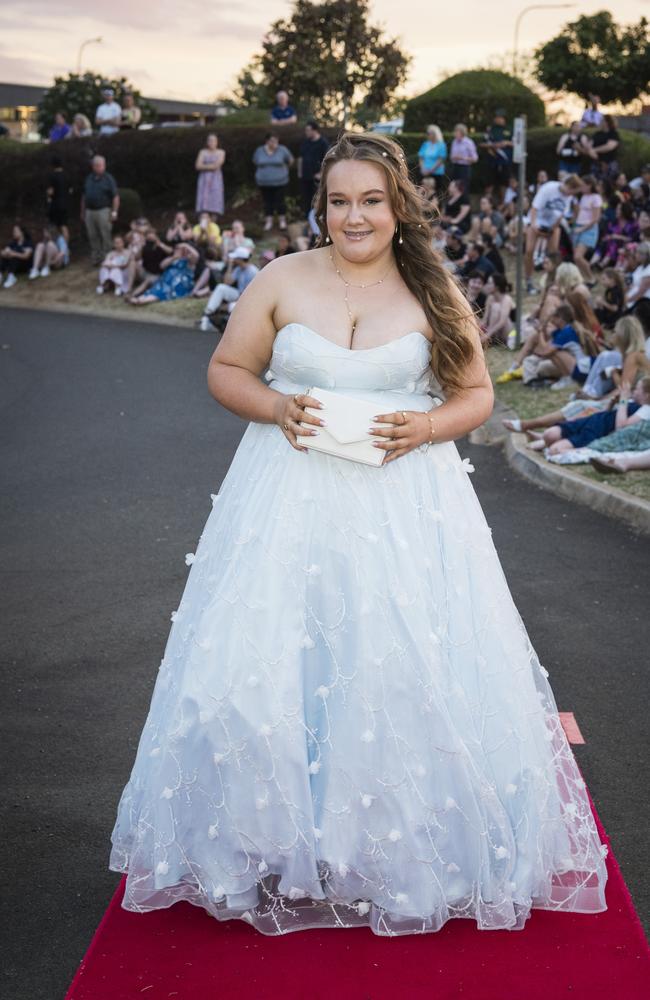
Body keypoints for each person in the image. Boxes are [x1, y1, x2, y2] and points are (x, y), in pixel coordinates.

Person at [109, 130, 608, 936]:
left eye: (370, 200)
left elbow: (478, 394)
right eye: (339, 201)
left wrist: (427, 426)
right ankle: (269, 838)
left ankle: (389, 843)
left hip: (403, 505)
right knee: (266, 666)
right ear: (322, 205)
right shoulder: (280, 278)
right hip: (284, 498)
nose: (354, 216)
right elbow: (227, 371)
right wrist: (277, 407)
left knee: (397, 669)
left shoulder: (433, 288)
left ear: (397, 204)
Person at [525, 175, 584, 293]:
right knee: (529, 251)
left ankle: (553, 281)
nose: (572, 195)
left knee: (554, 255)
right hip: (537, 220)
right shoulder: (549, 189)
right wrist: (534, 225)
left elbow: (562, 214)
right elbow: (534, 208)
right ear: (568, 186)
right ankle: (529, 280)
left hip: (552, 224)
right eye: (572, 191)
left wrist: (553, 228)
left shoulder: (568, 197)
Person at [199, 247, 259, 331]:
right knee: (221, 288)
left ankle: (221, 323)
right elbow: (227, 282)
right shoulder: (238, 269)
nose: (233, 259)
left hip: (249, 301)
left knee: (231, 307)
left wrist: (228, 305)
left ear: (240, 259)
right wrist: (230, 266)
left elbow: (252, 295)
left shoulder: (253, 271)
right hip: (240, 294)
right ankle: (207, 314)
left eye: (235, 258)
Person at [129, 242, 200, 305]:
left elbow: (196, 255)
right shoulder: (173, 259)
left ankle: (141, 301)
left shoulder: (190, 262)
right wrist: (174, 257)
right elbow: (162, 265)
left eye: (180, 249)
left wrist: (185, 245)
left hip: (178, 285)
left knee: (163, 291)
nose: (177, 250)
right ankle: (138, 298)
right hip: (165, 282)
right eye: (177, 249)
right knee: (155, 289)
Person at [80, 155, 120, 265]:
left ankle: (107, 257)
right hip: (90, 211)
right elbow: (84, 196)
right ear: (93, 166)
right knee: (92, 235)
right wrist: (82, 211)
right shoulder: (89, 178)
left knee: (105, 234)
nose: (100, 168)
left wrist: (114, 212)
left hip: (103, 210)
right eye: (98, 165)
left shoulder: (109, 179)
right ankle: (96, 256)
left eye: (102, 165)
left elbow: (115, 196)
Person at [253, 132, 294, 232]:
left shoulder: (282, 149)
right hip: (264, 182)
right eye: (272, 141)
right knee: (267, 202)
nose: (275, 143)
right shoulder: (259, 150)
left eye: (276, 141)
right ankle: (269, 222)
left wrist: (284, 169)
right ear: (267, 141)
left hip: (280, 182)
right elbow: (255, 161)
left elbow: (291, 160)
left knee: (280, 202)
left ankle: (282, 222)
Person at [571, 174, 602, 284]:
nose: (581, 188)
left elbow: (595, 218)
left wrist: (582, 229)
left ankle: (591, 278)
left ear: (590, 185)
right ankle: (585, 278)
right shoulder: (583, 197)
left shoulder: (596, 198)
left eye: (583, 185)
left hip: (588, 229)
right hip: (579, 227)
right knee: (576, 258)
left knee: (578, 256)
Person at [126, 228, 173, 299]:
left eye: (151, 234)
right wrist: (140, 247)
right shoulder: (145, 244)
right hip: (145, 272)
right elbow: (137, 258)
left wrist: (160, 244)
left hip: (157, 275)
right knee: (132, 263)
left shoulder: (162, 241)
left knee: (147, 281)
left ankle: (133, 295)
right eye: (148, 234)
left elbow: (171, 251)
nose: (150, 236)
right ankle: (129, 289)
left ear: (155, 234)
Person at [298, 121, 329, 217]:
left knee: (316, 200)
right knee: (306, 199)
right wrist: (300, 172)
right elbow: (301, 158)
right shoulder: (305, 143)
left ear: (314, 130)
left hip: (317, 178)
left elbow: (327, 160)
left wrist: (321, 173)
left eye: (308, 130)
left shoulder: (323, 143)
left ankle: (316, 220)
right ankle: (307, 219)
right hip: (305, 176)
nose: (306, 132)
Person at [480, 109, 513, 197]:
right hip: (491, 161)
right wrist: (493, 145)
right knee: (489, 183)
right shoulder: (490, 130)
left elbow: (517, 144)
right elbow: (482, 143)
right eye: (496, 117)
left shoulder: (509, 129)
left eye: (500, 117)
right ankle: (487, 202)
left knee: (504, 184)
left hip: (505, 161)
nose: (498, 119)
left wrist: (506, 143)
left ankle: (504, 205)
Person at [195, 134, 225, 216]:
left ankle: (214, 223)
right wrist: (211, 166)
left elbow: (217, 166)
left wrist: (204, 166)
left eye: (214, 141)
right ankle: (203, 221)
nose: (212, 143)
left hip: (216, 179)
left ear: (217, 142)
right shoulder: (202, 152)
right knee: (204, 200)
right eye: (210, 141)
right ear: (207, 142)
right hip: (204, 179)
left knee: (215, 199)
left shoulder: (221, 152)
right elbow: (198, 165)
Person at [480, 273, 514, 346]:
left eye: (489, 283)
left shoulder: (506, 299)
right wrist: (480, 329)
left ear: (497, 287)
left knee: (496, 307)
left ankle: (490, 338)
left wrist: (488, 334)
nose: (487, 285)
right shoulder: (490, 298)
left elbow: (502, 321)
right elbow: (485, 318)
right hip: (495, 330)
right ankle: (491, 339)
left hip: (509, 332)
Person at [0, 224, 34, 289]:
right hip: (14, 266)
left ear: (22, 232)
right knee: (7, 256)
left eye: (15, 231)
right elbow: (3, 253)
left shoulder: (28, 242)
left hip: (24, 266)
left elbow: (26, 256)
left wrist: (14, 253)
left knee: (15, 255)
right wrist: (7, 253)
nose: (13, 233)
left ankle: (11, 276)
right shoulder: (13, 243)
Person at [46, 155, 70, 245]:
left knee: (53, 226)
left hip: (55, 204)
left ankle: (55, 247)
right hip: (65, 204)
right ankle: (65, 248)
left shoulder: (52, 176)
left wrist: (48, 197)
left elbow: (50, 192)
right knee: (64, 226)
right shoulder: (66, 175)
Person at [588, 115, 620, 180]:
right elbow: (589, 146)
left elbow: (610, 146)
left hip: (609, 163)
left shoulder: (613, 134)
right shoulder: (597, 134)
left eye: (602, 120)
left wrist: (594, 150)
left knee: (608, 183)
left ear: (607, 122)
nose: (601, 122)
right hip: (597, 164)